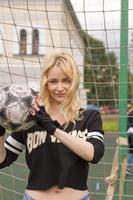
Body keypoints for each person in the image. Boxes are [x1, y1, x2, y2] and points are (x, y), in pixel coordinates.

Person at [0, 52, 104, 200]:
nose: (60, 88)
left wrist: (53, 129)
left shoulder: (89, 117)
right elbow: (3, 160)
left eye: (66, 81)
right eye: (53, 81)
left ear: (74, 82)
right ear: (45, 83)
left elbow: (94, 154)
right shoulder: (30, 117)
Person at [126, 105, 133, 176]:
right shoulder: (130, 114)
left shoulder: (128, 114)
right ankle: (127, 168)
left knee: (131, 151)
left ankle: (127, 168)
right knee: (131, 152)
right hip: (131, 133)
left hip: (129, 133)